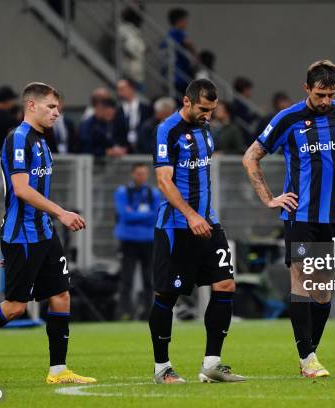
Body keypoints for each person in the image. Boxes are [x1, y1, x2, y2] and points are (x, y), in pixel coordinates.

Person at [0, 82, 96, 386]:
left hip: (42, 231)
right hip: (22, 234)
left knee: (61, 295)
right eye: (51, 107)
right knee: (16, 307)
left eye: (59, 109)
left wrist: (53, 218)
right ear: (31, 106)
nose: (57, 113)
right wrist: (62, 213)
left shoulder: (41, 140)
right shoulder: (18, 139)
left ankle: (58, 371)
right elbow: (22, 190)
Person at [242, 60, 335, 378]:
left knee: (324, 288)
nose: (326, 101)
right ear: (306, 89)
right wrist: (270, 198)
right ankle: (307, 358)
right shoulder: (288, 119)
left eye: (330, 94)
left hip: (333, 217)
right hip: (299, 216)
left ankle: (310, 351)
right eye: (319, 95)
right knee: (301, 279)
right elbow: (251, 156)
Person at [150, 78, 245, 384]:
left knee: (225, 285)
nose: (209, 115)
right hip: (177, 226)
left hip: (208, 222)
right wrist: (190, 215)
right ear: (186, 101)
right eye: (204, 109)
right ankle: (162, 368)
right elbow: (164, 181)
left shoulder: (206, 129)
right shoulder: (167, 130)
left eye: (213, 110)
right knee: (167, 295)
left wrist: (201, 216)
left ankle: (212, 364)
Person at [114, 163, 161, 320]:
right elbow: (124, 215)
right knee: (126, 278)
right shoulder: (123, 192)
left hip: (148, 240)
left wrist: (134, 215)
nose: (142, 176)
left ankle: (149, 312)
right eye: (139, 173)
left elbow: (156, 216)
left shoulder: (153, 193)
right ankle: (124, 312)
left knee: (149, 278)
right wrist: (144, 215)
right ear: (133, 174)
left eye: (144, 174)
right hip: (129, 240)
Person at [163, 8, 197, 96]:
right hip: (180, 74)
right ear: (179, 21)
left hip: (174, 74)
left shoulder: (169, 34)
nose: (186, 23)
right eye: (185, 20)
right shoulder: (178, 33)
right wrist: (195, 55)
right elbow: (189, 44)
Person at [116, 78, 153, 152]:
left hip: (143, 149)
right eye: (118, 90)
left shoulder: (146, 109)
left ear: (131, 89)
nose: (119, 93)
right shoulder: (117, 111)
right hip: (124, 149)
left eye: (122, 89)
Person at [119, 7, 146, 84]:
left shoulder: (134, 30)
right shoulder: (126, 29)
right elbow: (130, 48)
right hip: (129, 74)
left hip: (135, 74)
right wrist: (141, 51)